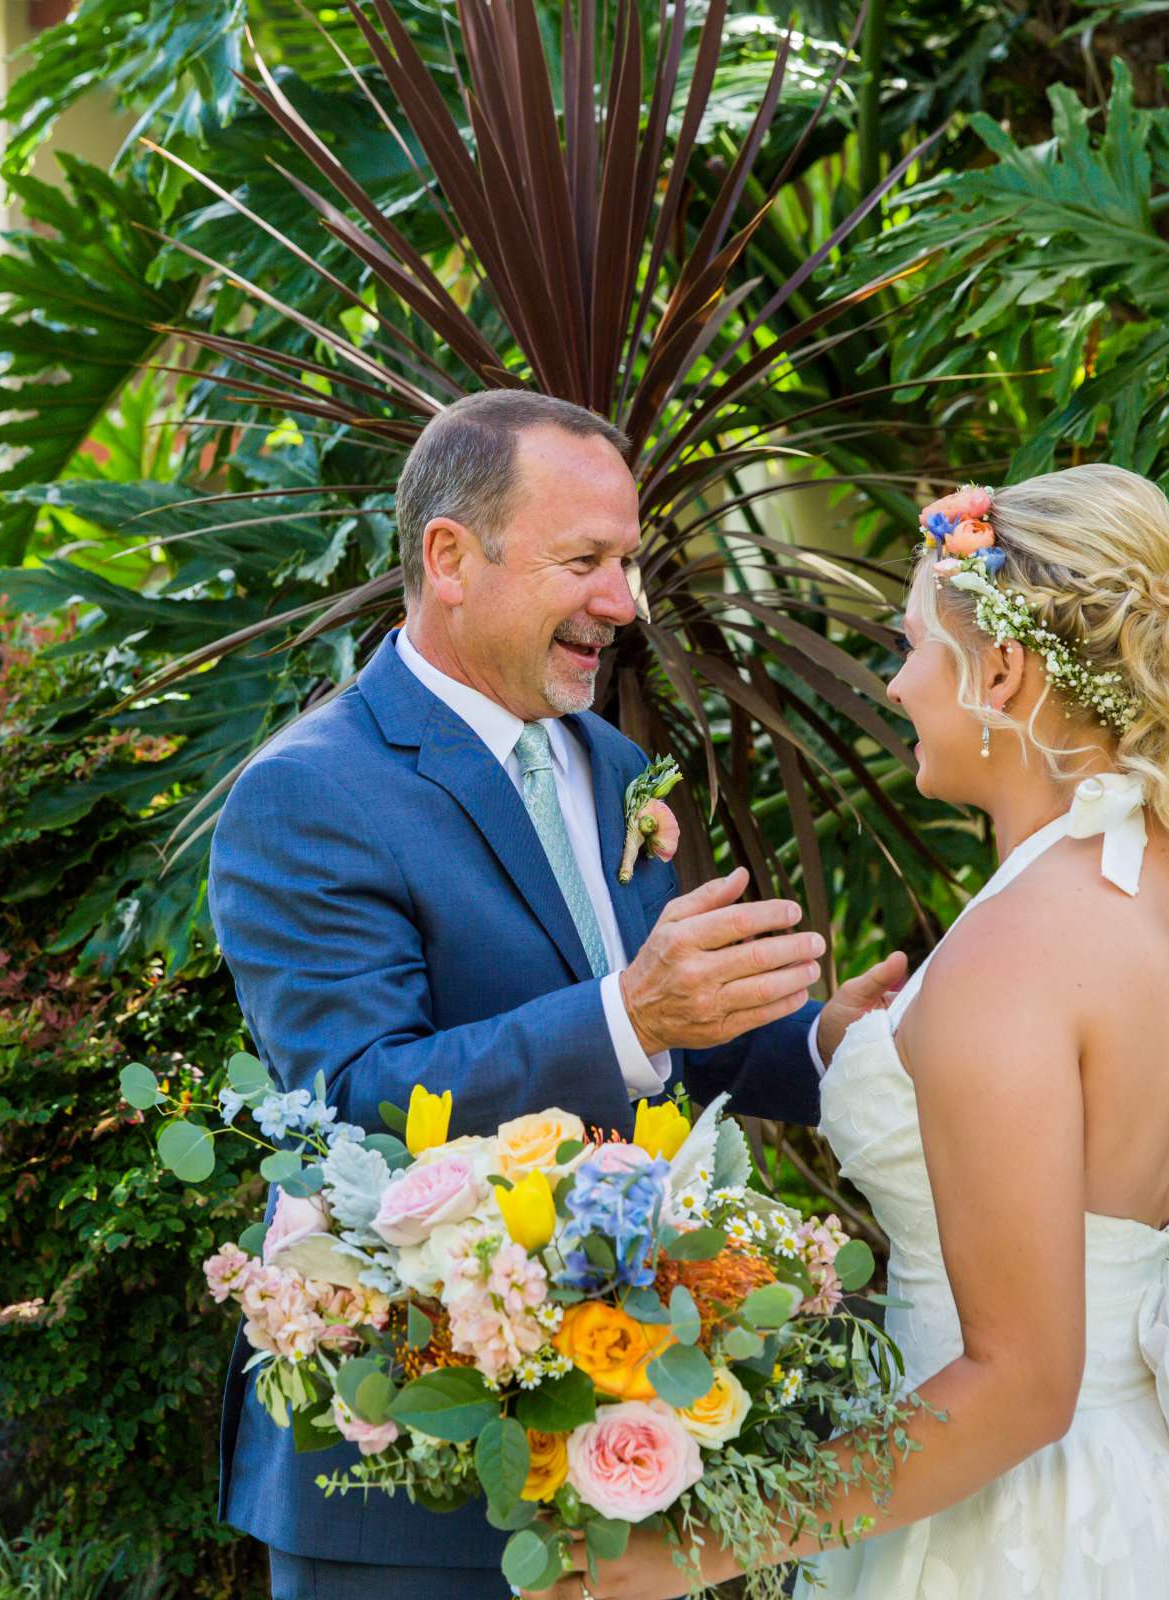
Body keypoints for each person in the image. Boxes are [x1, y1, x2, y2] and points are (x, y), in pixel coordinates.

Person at [566, 465, 1169, 1600]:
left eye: (913, 649)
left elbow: (1022, 1384)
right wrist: (855, 1049)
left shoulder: (1020, 947)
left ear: (1002, 671)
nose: (894, 686)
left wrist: (681, 1550)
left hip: (1013, 1524)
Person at [207, 388, 853, 1600]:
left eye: (631, 561)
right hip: (409, 1458)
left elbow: (677, 1041)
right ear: (451, 558)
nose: (625, 602)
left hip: (635, 1429)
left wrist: (833, 1042)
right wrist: (633, 1014)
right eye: (587, 561)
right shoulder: (309, 794)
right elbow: (355, 1098)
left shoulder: (612, 764)